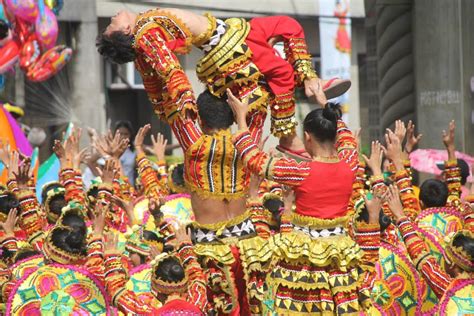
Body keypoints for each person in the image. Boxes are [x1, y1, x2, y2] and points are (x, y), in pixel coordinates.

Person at [96, 7, 351, 159]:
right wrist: (184, 100)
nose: (114, 16)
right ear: (126, 30)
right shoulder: (144, 34)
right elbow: (168, 68)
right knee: (280, 73)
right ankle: (287, 136)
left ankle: (309, 80)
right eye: (112, 24)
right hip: (228, 46)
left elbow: (153, 85)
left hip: (231, 30)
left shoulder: (144, 26)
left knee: (288, 26)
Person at [228, 93, 380, 314]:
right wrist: (325, 104)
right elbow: (347, 138)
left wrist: (241, 119)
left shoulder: (302, 171)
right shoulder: (350, 162)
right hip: (340, 256)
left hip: (303, 258)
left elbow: (254, 160)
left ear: (308, 137)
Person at [103, 225, 208, 315]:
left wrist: (111, 259)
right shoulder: (197, 301)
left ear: (155, 290)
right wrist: (186, 247)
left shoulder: (149, 312)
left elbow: (117, 292)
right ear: (185, 283)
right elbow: (196, 275)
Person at [114, 120, 137, 186]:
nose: (123, 136)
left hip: (128, 188)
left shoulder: (134, 149)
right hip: (114, 188)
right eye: (120, 134)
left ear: (130, 135)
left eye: (126, 134)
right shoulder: (110, 149)